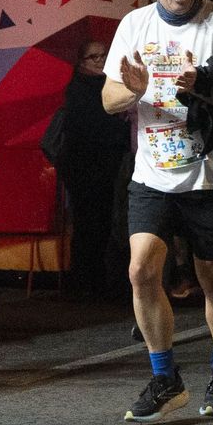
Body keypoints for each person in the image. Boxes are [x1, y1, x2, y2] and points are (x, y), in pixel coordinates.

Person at [102, 0, 213, 425]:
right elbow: (108, 99)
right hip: (153, 173)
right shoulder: (134, 25)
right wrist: (135, 90)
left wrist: (202, 83)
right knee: (141, 270)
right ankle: (165, 378)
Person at [58, 39, 131, 297]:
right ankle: (86, 283)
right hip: (86, 170)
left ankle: (94, 281)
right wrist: (123, 130)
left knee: (101, 225)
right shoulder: (80, 90)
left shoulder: (106, 84)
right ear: (81, 61)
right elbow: (94, 129)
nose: (100, 60)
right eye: (93, 56)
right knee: (89, 226)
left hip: (104, 168)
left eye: (103, 55)